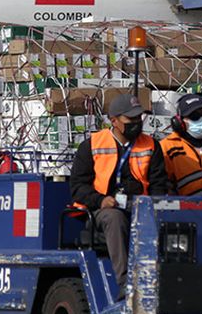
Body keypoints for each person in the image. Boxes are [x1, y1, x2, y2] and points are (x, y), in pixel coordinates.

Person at [69, 94, 168, 281]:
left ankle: (163, 279)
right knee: (115, 218)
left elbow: (158, 184)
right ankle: (125, 282)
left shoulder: (152, 145)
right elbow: (78, 187)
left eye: (139, 118)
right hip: (103, 210)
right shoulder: (91, 146)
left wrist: (154, 206)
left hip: (140, 206)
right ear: (113, 120)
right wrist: (101, 200)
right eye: (131, 119)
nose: (137, 123)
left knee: (164, 218)